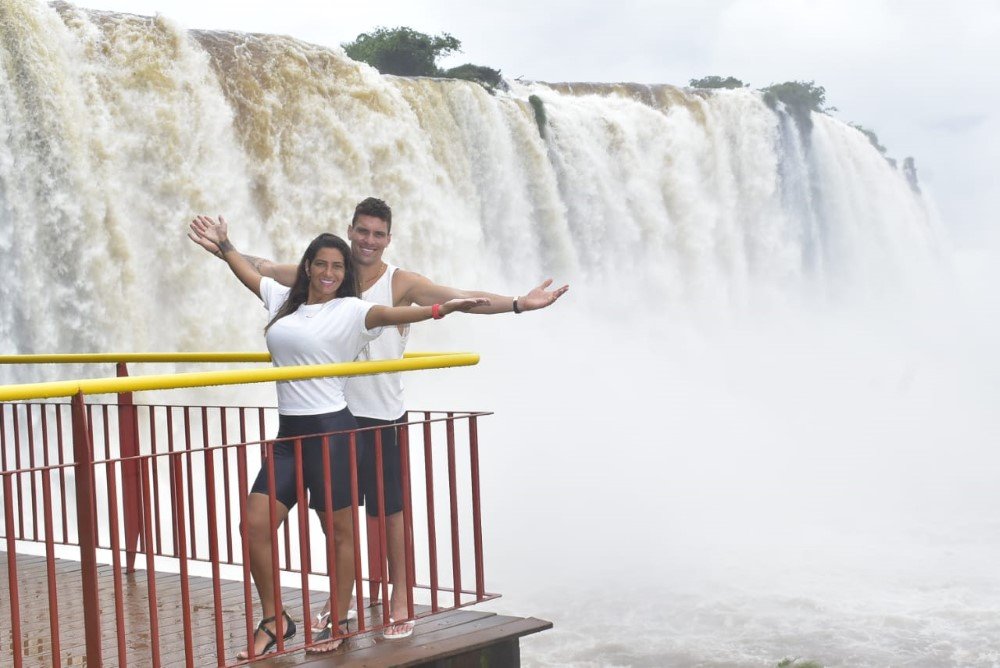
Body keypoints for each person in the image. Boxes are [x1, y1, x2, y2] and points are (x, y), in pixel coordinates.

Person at [189, 198, 568, 640]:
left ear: (388, 239)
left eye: (378, 234)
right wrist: (224, 247)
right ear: (349, 231)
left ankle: (399, 595)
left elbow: (454, 298)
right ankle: (334, 608)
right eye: (362, 231)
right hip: (329, 412)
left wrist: (520, 303)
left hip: (379, 412)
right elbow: (263, 270)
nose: (368, 241)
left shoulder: (394, 283)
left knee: (387, 510)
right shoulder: (327, 272)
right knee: (340, 522)